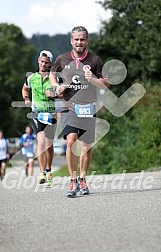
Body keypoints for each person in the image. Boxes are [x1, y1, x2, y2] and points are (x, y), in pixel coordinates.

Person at [49, 26, 109, 197]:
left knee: (86, 146)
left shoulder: (95, 60)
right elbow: (53, 74)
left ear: (87, 41)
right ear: (71, 41)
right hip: (69, 106)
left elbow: (106, 83)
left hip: (88, 107)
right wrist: (56, 86)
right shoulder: (62, 59)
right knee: (71, 141)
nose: (79, 42)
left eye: (82, 39)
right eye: (76, 39)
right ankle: (72, 180)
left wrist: (94, 80)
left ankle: (83, 178)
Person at [22, 50, 58, 186]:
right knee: (41, 142)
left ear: (50, 64)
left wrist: (53, 94)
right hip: (37, 113)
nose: (43, 64)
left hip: (51, 114)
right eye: (41, 61)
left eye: (46, 62)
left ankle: (49, 169)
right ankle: (42, 172)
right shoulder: (31, 77)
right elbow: (25, 89)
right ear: (38, 61)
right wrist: (26, 98)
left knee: (49, 145)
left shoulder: (54, 78)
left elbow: (61, 92)